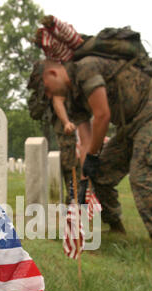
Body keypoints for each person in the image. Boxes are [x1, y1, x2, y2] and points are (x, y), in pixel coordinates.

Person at [42, 56, 152, 254]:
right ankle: (116, 225)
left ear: (53, 73)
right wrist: (84, 181)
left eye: (47, 88)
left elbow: (102, 115)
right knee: (99, 174)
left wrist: (91, 157)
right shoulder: (74, 100)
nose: (49, 94)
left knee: (142, 176)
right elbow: (85, 140)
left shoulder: (86, 69)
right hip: (129, 126)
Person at [27, 62, 90, 204]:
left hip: (79, 122)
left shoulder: (71, 75)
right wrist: (66, 122)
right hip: (65, 129)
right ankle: (75, 198)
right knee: (70, 164)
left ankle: (81, 198)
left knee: (84, 161)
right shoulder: (53, 86)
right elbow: (55, 102)